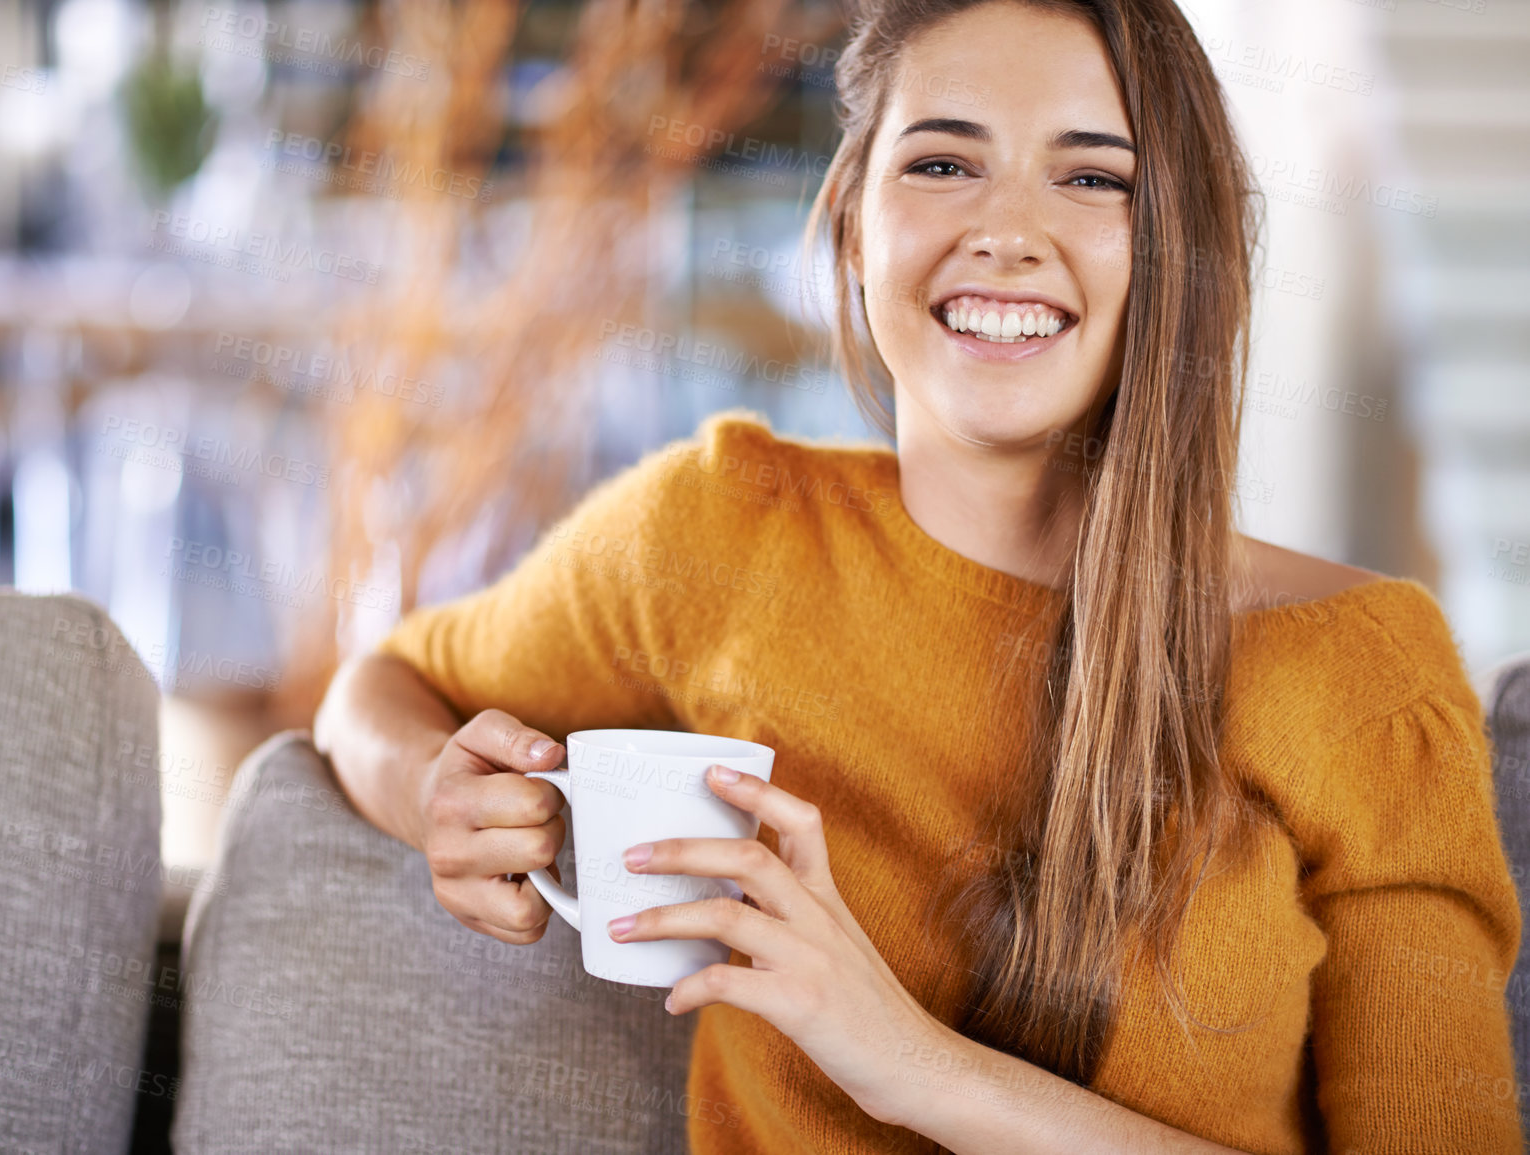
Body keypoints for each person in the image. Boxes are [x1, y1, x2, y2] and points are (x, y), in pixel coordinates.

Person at [313, 0, 1522, 1150]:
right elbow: (381, 687)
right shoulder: (721, 531)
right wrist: (438, 794)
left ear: (1179, 249)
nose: (1004, 230)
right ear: (850, 216)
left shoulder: (1366, 673)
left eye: (1094, 175)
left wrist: (904, 1057)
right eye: (943, 164)